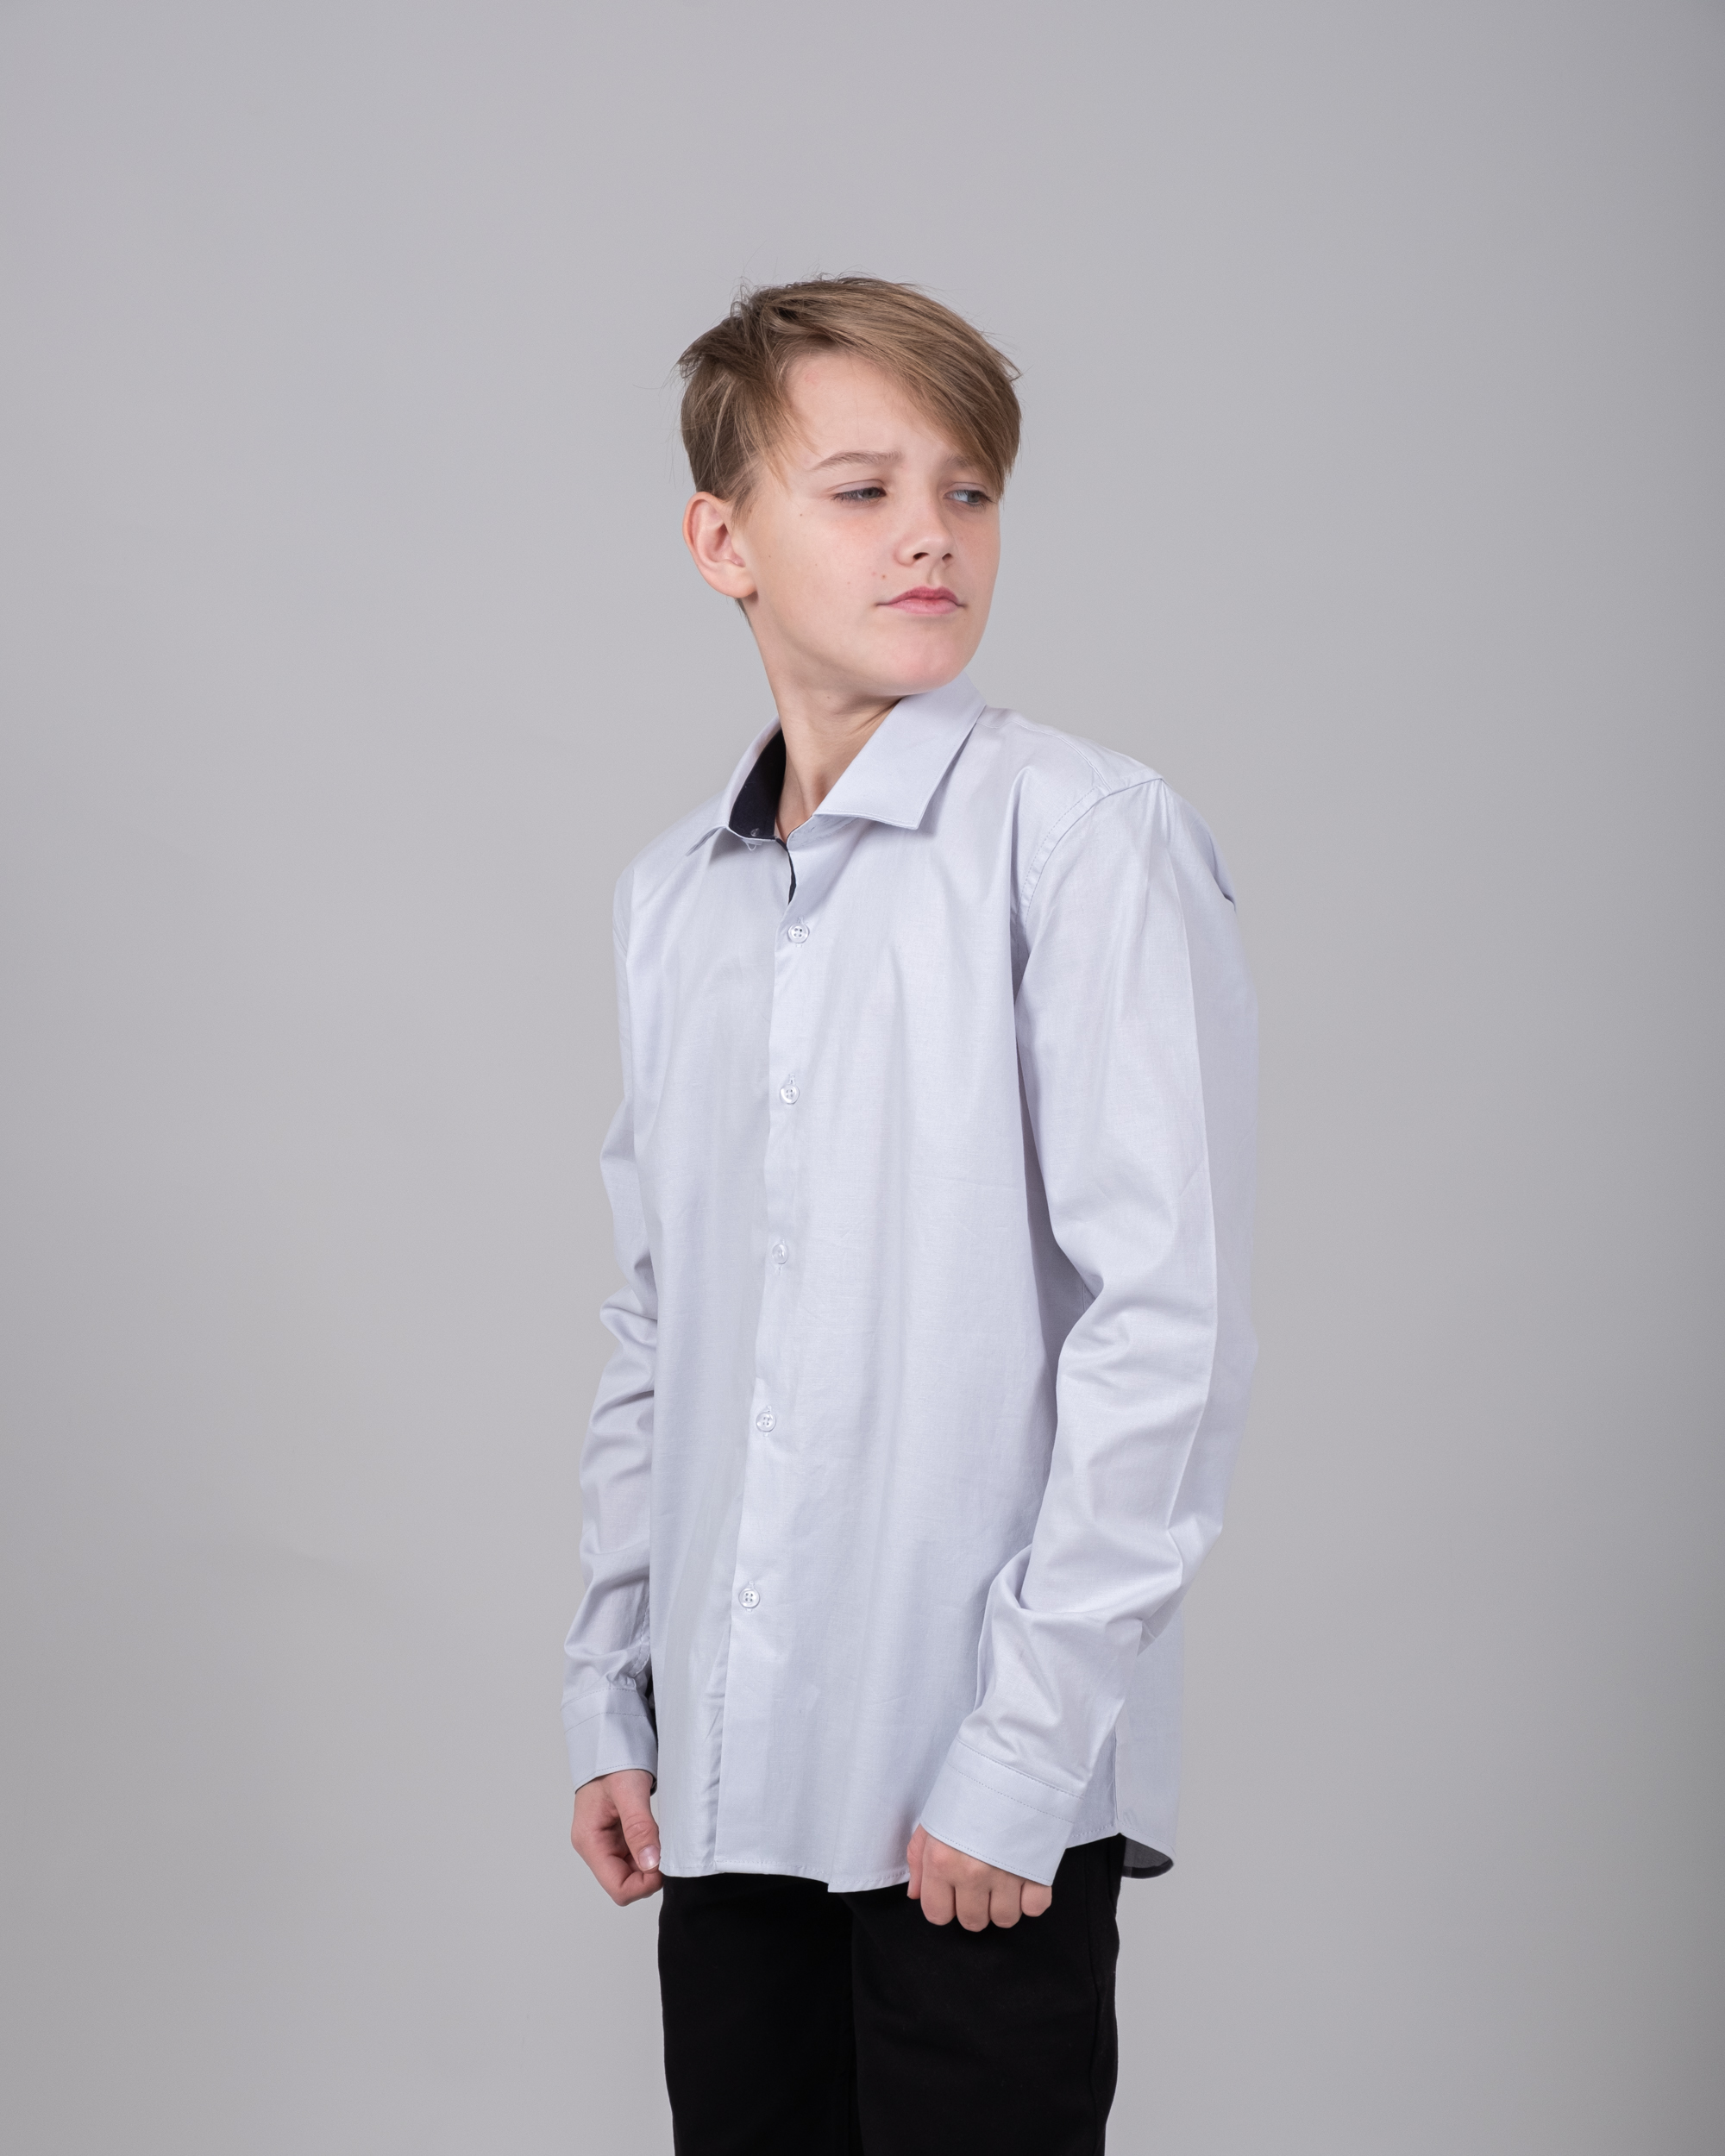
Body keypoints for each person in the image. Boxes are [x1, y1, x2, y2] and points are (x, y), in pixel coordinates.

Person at [562, 276, 1257, 2154]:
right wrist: (610, 1693)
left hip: (969, 1795)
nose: (932, 534)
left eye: (968, 490)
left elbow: (1164, 1332)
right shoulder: (671, 900)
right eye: (862, 490)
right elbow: (660, 1320)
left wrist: (1026, 1749)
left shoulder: (1081, 837)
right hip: (727, 1782)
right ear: (723, 542)